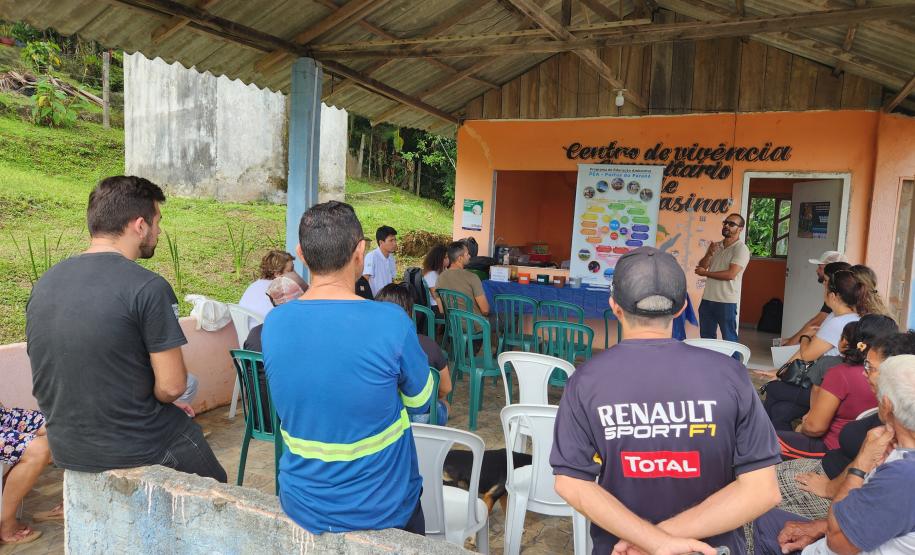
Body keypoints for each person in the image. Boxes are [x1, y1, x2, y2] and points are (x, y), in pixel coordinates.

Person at [552, 247, 782, 555]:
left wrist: (653, 541)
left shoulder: (585, 380)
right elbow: (761, 490)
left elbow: (571, 482)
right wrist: (661, 539)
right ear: (680, 308)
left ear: (614, 307)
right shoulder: (730, 374)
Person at [26, 176, 226, 482]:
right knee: (218, 489)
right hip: (136, 443)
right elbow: (172, 387)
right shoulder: (147, 287)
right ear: (140, 225)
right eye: (158, 222)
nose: (159, 231)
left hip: (67, 445)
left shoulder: (46, 282)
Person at [262, 201, 432, 535]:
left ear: (302, 254)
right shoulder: (391, 321)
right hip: (384, 507)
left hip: (301, 503)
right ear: (360, 252)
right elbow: (422, 401)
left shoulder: (275, 323)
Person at [753, 354, 915, 555]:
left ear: (887, 405)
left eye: (871, 370)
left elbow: (839, 543)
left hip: (832, 542)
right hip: (833, 530)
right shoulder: (896, 451)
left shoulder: (903, 473)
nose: (867, 376)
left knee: (746, 520)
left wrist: (861, 463)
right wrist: (818, 527)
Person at [776, 315, 897, 460]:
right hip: (868, 451)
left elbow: (815, 428)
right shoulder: (896, 377)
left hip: (830, 449)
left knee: (764, 441)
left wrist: (803, 426)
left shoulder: (841, 374)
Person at [375, 283, 452, 425]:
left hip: (385, 419)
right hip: (421, 418)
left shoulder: (370, 347)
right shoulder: (428, 344)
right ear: (410, 313)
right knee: (444, 405)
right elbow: (446, 388)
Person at [0, 405, 54, 545]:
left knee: (62, 425)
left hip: (2, 415)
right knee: (40, 449)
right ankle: (6, 523)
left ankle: (68, 504)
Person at [695, 213, 751, 341]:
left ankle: (735, 362)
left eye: (731, 224)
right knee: (706, 339)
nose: (726, 225)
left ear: (740, 229)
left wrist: (705, 273)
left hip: (726, 302)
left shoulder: (741, 249)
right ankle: (710, 362)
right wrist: (709, 253)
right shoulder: (717, 246)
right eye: (725, 222)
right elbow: (702, 266)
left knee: (729, 339)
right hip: (707, 299)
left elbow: (730, 274)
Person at [782, 254, 849, 346]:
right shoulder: (841, 290)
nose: (817, 270)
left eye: (820, 267)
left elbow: (815, 323)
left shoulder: (836, 295)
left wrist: (789, 344)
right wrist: (791, 340)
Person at [436, 241, 490, 317]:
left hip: (452, 325)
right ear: (460, 258)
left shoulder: (440, 277)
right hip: (476, 325)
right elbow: (485, 310)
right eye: (467, 254)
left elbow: (441, 310)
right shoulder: (472, 277)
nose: (470, 256)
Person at [239, 250, 295, 320]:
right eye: (291, 270)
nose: (294, 273)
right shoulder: (281, 288)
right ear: (277, 274)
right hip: (265, 328)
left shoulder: (253, 285)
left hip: (242, 328)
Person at [362, 225, 397, 296]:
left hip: (388, 299)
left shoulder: (391, 257)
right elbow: (364, 280)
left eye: (395, 240)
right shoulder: (372, 257)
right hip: (374, 301)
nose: (395, 243)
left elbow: (392, 279)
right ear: (381, 242)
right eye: (391, 240)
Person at [422, 244, 449, 311]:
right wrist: (444, 315)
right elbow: (437, 297)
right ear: (438, 259)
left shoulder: (441, 271)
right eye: (445, 257)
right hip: (437, 307)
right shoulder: (431, 275)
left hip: (445, 303)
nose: (448, 259)